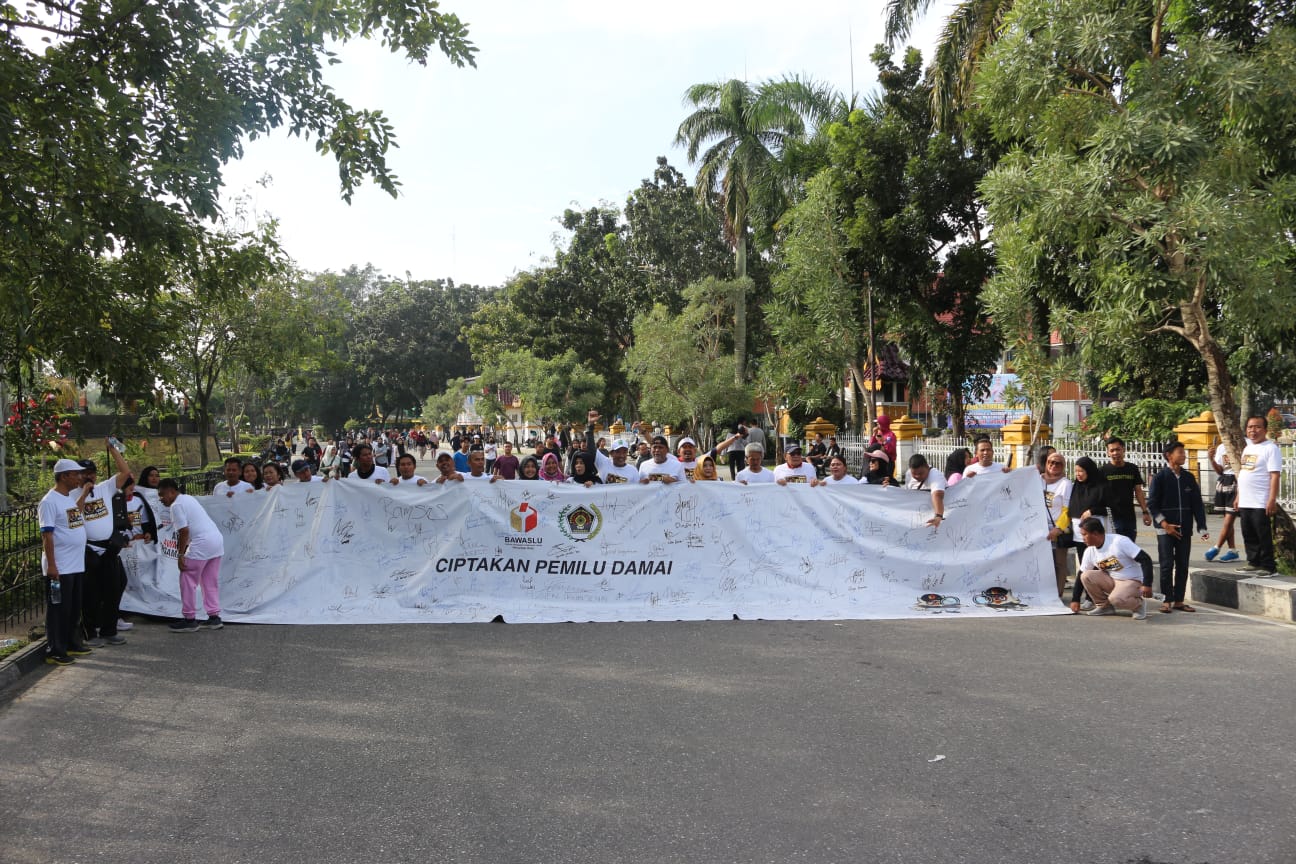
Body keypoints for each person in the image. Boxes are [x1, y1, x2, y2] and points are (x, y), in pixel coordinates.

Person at [78, 445, 133, 647]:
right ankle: (90, 632)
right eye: (83, 473)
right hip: (89, 550)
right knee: (90, 593)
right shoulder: (73, 494)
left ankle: (109, 629)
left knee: (114, 588)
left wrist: (113, 450)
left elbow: (125, 473)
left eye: (91, 473)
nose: (88, 477)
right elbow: (73, 514)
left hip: (109, 549)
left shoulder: (104, 488)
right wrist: (84, 493)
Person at [40, 459, 93, 665]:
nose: (80, 477)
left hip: (76, 564)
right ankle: (55, 649)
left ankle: (72, 643)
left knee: (73, 608)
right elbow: (47, 535)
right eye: (76, 474)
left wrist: (83, 496)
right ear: (64, 476)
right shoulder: (49, 501)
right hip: (60, 567)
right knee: (58, 610)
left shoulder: (67, 498)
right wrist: (52, 565)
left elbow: (74, 516)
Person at [1147, 440, 1210, 612]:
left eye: (1184, 452)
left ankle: (1179, 600)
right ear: (1169, 455)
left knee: (1182, 564)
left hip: (1184, 529)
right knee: (1167, 564)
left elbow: (1197, 504)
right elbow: (1152, 504)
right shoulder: (1159, 478)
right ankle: (1166, 600)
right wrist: (1165, 524)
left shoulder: (1189, 478)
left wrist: (1202, 527)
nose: (1184, 455)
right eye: (1180, 452)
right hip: (1165, 529)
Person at [158, 478, 225, 632]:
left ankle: (189, 619)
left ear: (171, 491)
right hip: (216, 541)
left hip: (202, 543)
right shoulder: (188, 498)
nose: (161, 499)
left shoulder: (176, 505)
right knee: (209, 581)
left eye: (162, 495)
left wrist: (181, 554)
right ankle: (214, 617)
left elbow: (184, 531)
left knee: (187, 578)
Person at [1074, 516, 1154, 620]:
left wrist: (1147, 584)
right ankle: (1104, 607)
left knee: (1116, 599)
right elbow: (1081, 573)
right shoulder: (1090, 550)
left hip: (1133, 581)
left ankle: (1138, 605)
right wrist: (1075, 600)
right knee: (1086, 576)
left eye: (1084, 535)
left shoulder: (1119, 542)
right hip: (1113, 581)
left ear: (1095, 534)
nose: (1082, 538)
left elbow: (1146, 559)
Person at [1235, 415, 1283, 577]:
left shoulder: (1271, 448)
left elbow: (1275, 476)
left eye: (1257, 427)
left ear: (1265, 430)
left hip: (1261, 500)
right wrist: (1238, 497)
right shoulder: (1248, 448)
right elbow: (1243, 473)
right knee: (1248, 532)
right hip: (1246, 500)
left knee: (1262, 534)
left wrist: (1271, 499)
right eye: (1249, 427)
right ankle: (1253, 562)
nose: (1252, 430)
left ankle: (1269, 566)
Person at [1101, 437, 1152, 540]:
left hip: (1129, 517)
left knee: (1130, 547)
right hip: (1111, 517)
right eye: (1112, 450)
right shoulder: (1103, 471)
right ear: (1108, 453)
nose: (1115, 453)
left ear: (1123, 450)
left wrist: (1145, 511)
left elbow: (1138, 491)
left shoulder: (1132, 469)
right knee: (1115, 550)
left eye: (1118, 449)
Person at [1068, 456, 1110, 573]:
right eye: (1076, 471)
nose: (1078, 474)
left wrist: (1092, 511)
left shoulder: (1101, 486)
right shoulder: (1076, 487)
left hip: (1096, 532)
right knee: (1084, 564)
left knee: (1100, 563)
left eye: (1081, 471)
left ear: (1089, 471)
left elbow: (1110, 507)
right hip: (1079, 533)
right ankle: (1086, 590)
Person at [1041, 451, 1072, 597]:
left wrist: (1058, 528)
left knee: (1059, 564)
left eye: (1058, 463)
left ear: (1063, 466)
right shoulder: (1038, 479)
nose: (1053, 465)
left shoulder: (1065, 484)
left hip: (1056, 530)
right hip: (1038, 528)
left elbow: (1067, 510)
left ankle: (1058, 595)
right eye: (1050, 462)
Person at [1204, 444, 1240, 563]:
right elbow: (1220, 470)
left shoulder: (1244, 443)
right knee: (1227, 519)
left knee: (1229, 519)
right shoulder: (1221, 447)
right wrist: (1212, 459)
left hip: (1237, 481)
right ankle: (1232, 550)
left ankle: (1217, 547)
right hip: (1224, 481)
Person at [903, 455, 946, 528]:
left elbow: (937, 495)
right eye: (914, 474)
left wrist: (938, 516)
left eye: (920, 473)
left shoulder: (936, 475)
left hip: (935, 518)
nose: (917, 476)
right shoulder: (908, 474)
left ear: (927, 467)